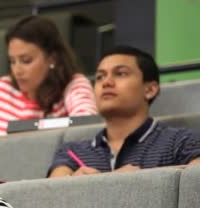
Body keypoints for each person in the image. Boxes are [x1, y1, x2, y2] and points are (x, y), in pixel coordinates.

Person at [48, 46, 200, 177]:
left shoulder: (182, 142)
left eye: (120, 73)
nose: (106, 82)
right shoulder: (72, 152)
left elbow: (194, 187)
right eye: (100, 77)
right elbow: (53, 194)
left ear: (150, 89)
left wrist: (142, 182)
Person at [0, 15, 97, 138]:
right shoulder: (2, 88)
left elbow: (86, 129)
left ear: (52, 59)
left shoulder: (74, 84)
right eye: (12, 61)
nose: (17, 70)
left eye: (26, 61)